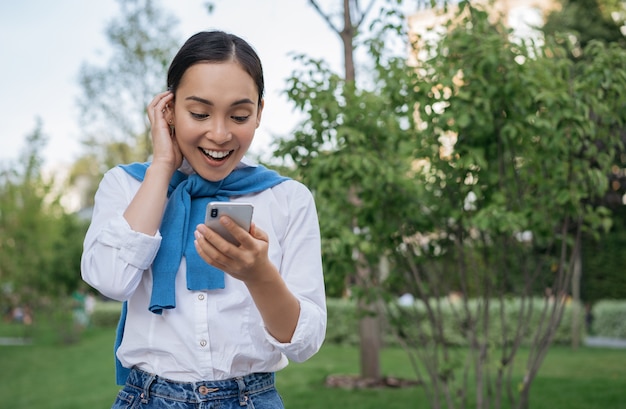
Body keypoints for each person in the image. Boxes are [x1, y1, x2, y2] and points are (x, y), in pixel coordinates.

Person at [81, 30, 326, 409]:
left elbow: (305, 344)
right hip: (148, 398)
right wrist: (162, 165)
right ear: (169, 110)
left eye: (240, 115)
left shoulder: (286, 199)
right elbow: (110, 281)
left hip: (251, 398)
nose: (220, 133)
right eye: (199, 113)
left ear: (260, 113)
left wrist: (258, 275)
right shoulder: (128, 186)